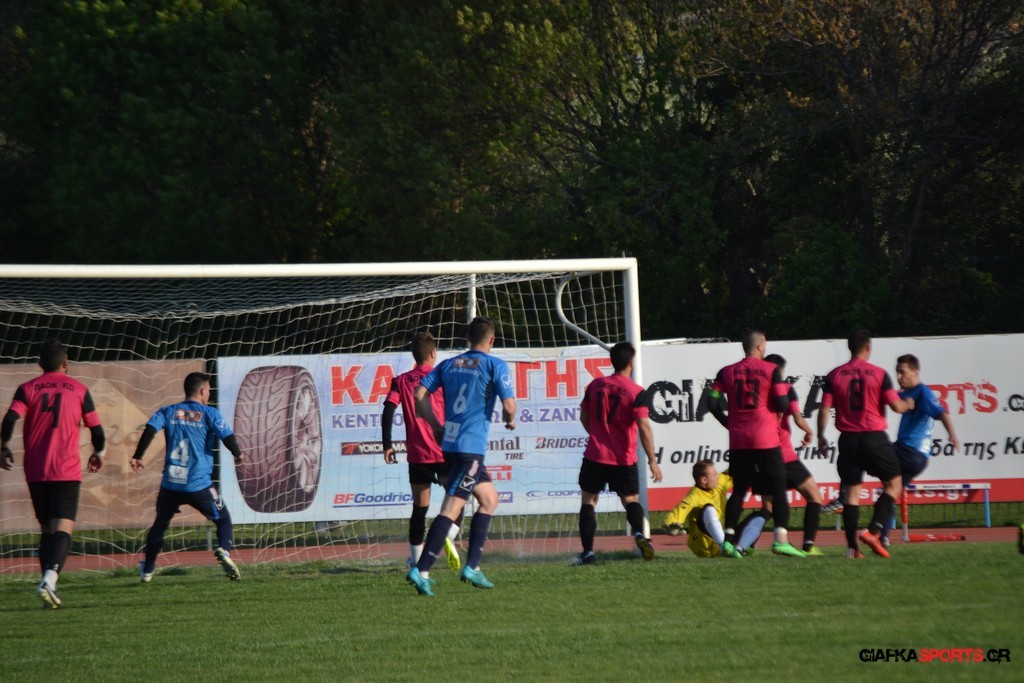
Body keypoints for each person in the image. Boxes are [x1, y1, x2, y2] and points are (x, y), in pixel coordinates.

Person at [406, 316, 516, 596]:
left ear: (468, 338)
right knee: (450, 510)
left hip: (452, 445)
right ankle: (422, 569)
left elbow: (419, 394)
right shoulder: (495, 365)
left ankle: (473, 567)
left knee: (489, 500)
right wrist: (509, 418)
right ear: (492, 340)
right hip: (469, 450)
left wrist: (435, 426)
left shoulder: (448, 364)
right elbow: (509, 405)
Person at [0, 338, 106, 609]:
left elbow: (10, 419)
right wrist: (99, 453)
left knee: (47, 530)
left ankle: (49, 586)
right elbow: (97, 430)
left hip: (36, 470)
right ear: (65, 363)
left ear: (40, 364)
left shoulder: (27, 388)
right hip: (66, 469)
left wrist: (3, 446)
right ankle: (49, 579)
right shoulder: (79, 389)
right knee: (63, 528)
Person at [130, 372, 245, 582]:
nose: (209, 393)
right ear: (202, 391)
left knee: (160, 524)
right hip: (199, 486)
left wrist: (138, 456)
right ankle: (224, 551)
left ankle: (147, 571)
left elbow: (150, 429)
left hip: (171, 485)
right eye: (208, 390)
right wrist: (237, 453)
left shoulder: (168, 411)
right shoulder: (209, 413)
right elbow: (227, 435)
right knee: (223, 519)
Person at [816, 329, 914, 559]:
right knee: (894, 484)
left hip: (848, 440)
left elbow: (824, 409)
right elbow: (896, 407)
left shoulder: (834, 375)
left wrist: (821, 436)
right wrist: (909, 403)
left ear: (850, 347)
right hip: (874, 437)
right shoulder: (879, 374)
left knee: (851, 494)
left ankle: (852, 548)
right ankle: (873, 531)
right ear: (868, 347)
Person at [709, 330, 805, 558]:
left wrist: (729, 423)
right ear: (761, 347)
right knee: (779, 489)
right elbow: (782, 402)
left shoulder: (725, 372)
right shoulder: (771, 370)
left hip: (739, 441)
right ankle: (781, 540)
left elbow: (712, 403)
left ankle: (728, 541)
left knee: (739, 491)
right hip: (766, 440)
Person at [574, 341, 662, 565]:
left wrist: (598, 435)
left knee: (589, 500)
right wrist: (652, 460)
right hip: (623, 458)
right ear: (631, 363)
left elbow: (584, 416)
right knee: (630, 500)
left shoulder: (596, 385)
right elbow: (644, 426)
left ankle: (588, 553)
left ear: (612, 361)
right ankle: (640, 534)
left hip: (595, 455)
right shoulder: (636, 392)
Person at [381, 330, 461, 571]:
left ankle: (416, 561)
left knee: (420, 508)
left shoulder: (401, 381)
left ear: (413, 355)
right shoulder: (443, 378)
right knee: (457, 501)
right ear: (433, 353)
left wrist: (387, 444)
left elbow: (388, 410)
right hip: (445, 451)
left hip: (418, 456)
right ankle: (447, 534)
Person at [879, 353, 962, 547]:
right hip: (915, 457)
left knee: (870, 450)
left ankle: (844, 494)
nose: (899, 376)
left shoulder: (923, 392)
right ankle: (882, 537)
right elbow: (892, 401)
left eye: (902, 372)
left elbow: (942, 414)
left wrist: (952, 435)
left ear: (915, 372)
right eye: (897, 372)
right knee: (889, 492)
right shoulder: (906, 392)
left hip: (909, 452)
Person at [765, 354, 824, 556]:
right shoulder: (786, 389)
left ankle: (742, 544)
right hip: (784, 455)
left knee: (768, 507)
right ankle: (808, 545)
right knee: (814, 496)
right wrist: (809, 432)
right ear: (780, 371)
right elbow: (798, 417)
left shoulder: (758, 391)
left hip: (763, 454)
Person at [663, 460, 732, 557]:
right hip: (703, 545)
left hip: (721, 537)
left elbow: (733, 474)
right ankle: (723, 547)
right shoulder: (694, 496)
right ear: (704, 480)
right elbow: (679, 510)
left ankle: (735, 548)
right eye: (714, 475)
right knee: (709, 509)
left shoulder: (718, 483)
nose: (717, 477)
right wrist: (669, 524)